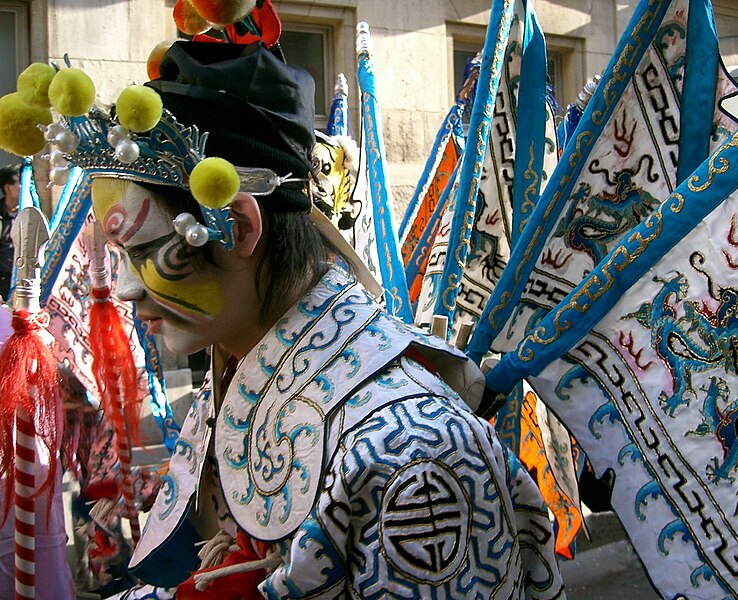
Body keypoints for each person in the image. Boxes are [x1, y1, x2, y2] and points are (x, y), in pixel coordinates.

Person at [57, 40, 564, 598]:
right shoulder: (235, 376)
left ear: (242, 228)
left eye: (145, 254)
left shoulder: (415, 456)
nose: (127, 290)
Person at [0, 164, 20, 301]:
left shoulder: (31, 212)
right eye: (20, 183)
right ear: (8, 188)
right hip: (4, 282)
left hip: (26, 282)